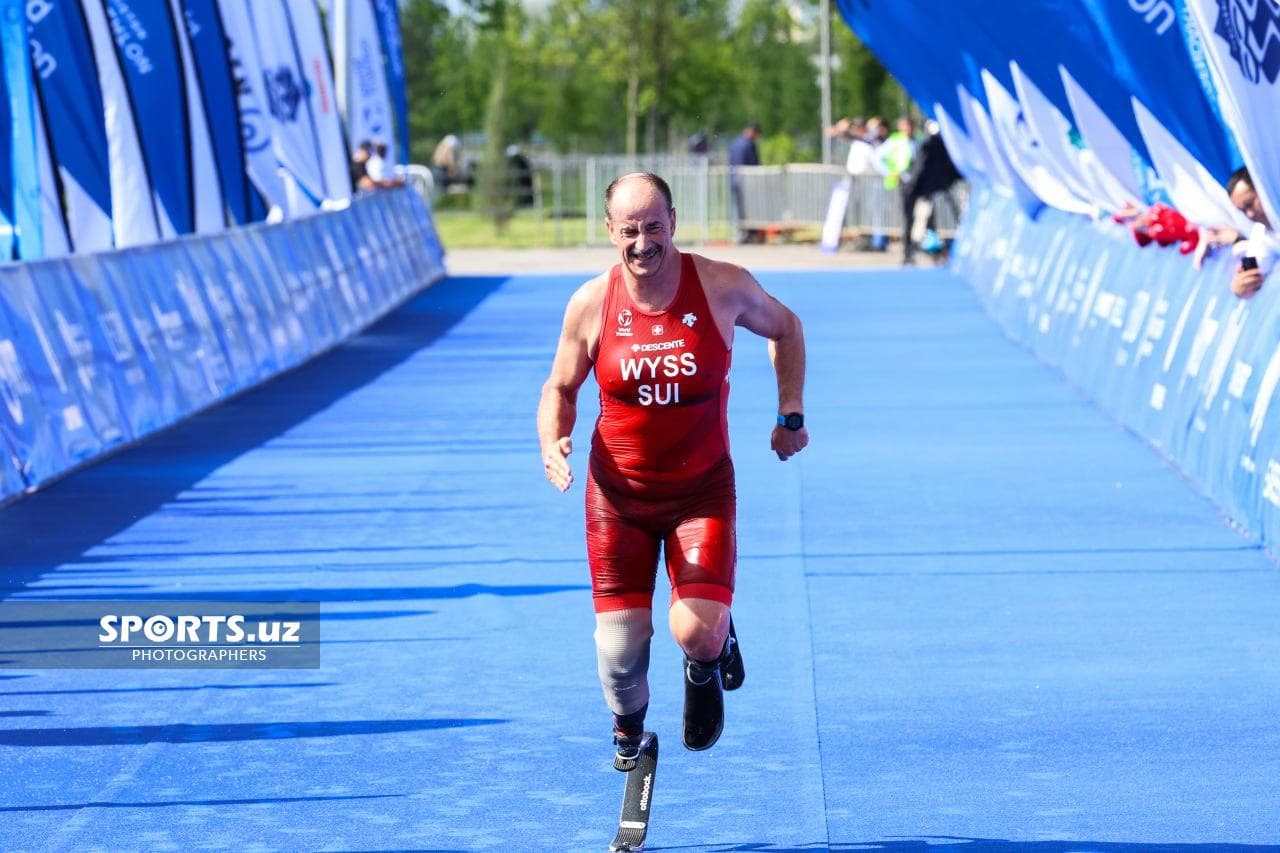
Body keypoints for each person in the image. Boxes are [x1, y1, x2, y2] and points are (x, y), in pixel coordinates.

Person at [537, 172, 808, 767]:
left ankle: (708, 657)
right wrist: (553, 439)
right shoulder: (590, 303)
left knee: (696, 631)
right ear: (610, 231)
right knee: (619, 648)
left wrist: (790, 414)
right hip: (618, 499)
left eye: (653, 227)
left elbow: (786, 327)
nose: (642, 243)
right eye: (629, 230)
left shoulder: (719, 285)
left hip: (700, 494)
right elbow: (558, 387)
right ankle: (630, 737)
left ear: (674, 223)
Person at [1195, 167, 1279, 299]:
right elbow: (1252, 267)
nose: (1250, 214)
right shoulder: (1260, 233)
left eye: (1250, 204)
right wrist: (1240, 286)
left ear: (1263, 190)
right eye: (1243, 211)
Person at [728, 123, 761, 243]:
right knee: (750, 209)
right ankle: (749, 234)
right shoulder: (749, 144)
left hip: (734, 180)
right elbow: (754, 163)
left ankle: (741, 233)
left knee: (738, 209)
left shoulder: (734, 143)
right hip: (747, 182)